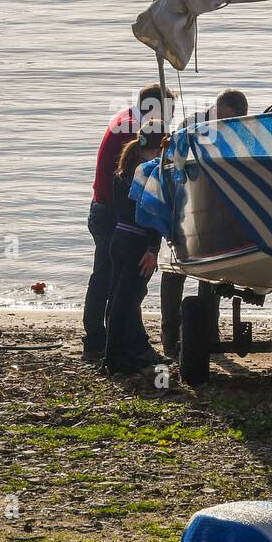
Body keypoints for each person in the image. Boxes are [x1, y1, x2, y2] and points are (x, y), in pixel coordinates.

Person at [82, 83, 173, 361]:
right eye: (168, 112)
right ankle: (127, 344)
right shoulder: (134, 130)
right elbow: (145, 190)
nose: (168, 118)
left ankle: (100, 339)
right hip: (116, 216)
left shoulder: (129, 118)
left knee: (106, 278)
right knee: (125, 285)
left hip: (106, 209)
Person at [158, 89, 249, 356]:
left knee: (212, 271)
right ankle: (170, 334)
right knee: (174, 272)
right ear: (217, 109)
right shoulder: (193, 125)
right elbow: (173, 163)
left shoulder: (235, 130)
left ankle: (208, 330)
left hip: (215, 211)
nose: (223, 124)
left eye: (230, 121)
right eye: (222, 118)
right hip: (184, 208)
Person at [104, 125, 169, 374]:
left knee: (118, 298)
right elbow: (151, 215)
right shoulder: (149, 175)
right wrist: (152, 250)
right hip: (137, 245)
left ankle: (115, 355)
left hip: (118, 239)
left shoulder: (122, 172)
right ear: (154, 149)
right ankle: (114, 359)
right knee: (128, 302)